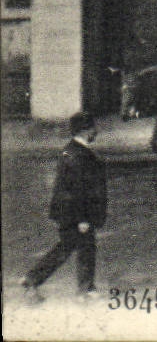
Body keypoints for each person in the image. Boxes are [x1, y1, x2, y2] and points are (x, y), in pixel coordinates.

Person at [21, 112, 107, 301]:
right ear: (85, 131)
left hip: (69, 211)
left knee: (83, 246)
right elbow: (77, 189)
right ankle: (34, 279)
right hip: (75, 213)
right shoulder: (79, 154)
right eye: (93, 128)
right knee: (70, 247)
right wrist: (83, 218)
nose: (95, 131)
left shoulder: (72, 150)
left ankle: (87, 286)